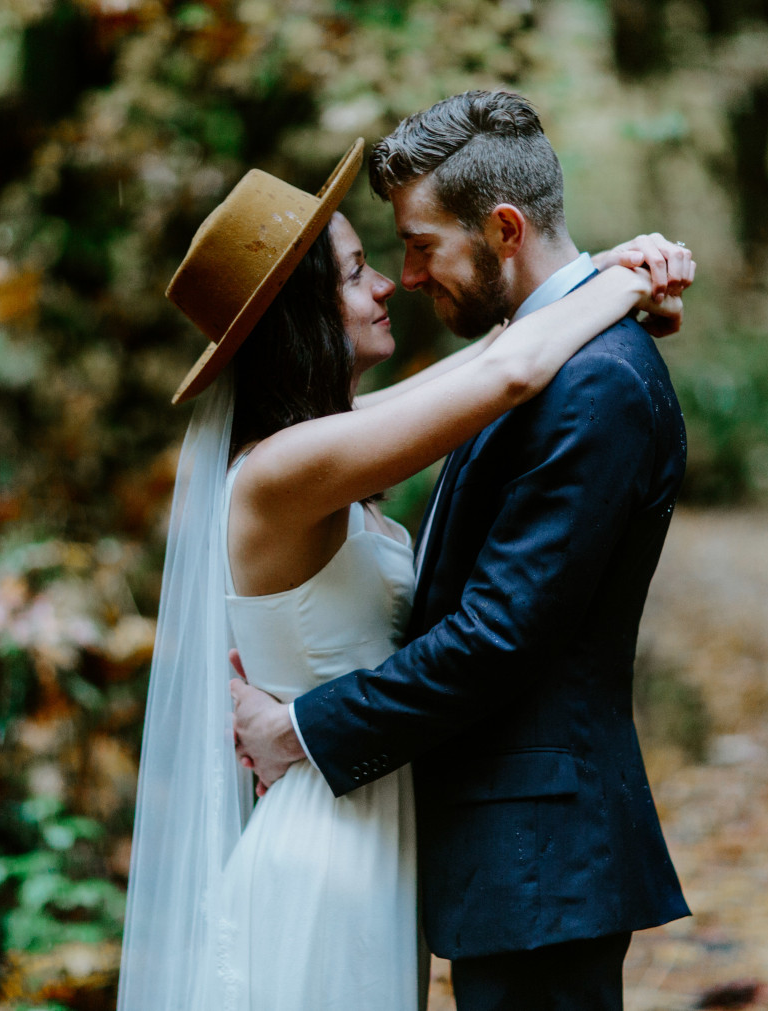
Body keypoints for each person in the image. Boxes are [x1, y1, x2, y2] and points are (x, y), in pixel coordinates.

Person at [116, 108, 692, 1011]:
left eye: (408, 247)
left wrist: (613, 274)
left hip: (407, 840)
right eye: (359, 269)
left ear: (501, 227)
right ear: (302, 315)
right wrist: (621, 282)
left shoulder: (351, 437)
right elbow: (505, 371)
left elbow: (507, 356)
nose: (394, 280)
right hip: (334, 842)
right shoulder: (287, 468)